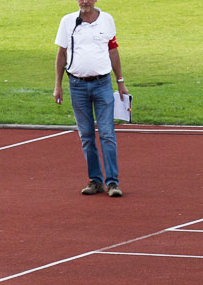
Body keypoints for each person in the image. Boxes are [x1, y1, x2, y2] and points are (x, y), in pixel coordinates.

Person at [54, 0, 128, 197]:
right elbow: (61, 53)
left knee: (107, 135)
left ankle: (112, 182)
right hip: (76, 85)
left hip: (102, 84)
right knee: (86, 136)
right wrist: (57, 85)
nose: (84, 2)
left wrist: (120, 81)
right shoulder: (68, 21)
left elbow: (113, 50)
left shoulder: (107, 20)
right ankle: (95, 180)